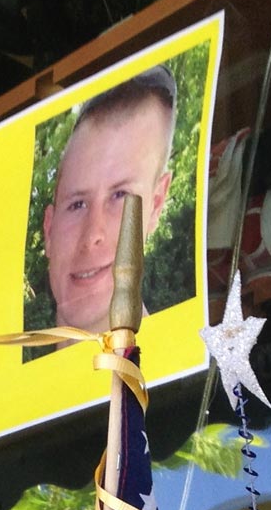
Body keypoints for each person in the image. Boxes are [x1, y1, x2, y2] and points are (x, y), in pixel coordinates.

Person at [42, 66, 178, 334]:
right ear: (48, 229)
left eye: (119, 196)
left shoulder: (191, 372)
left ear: (157, 204)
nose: (93, 234)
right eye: (77, 204)